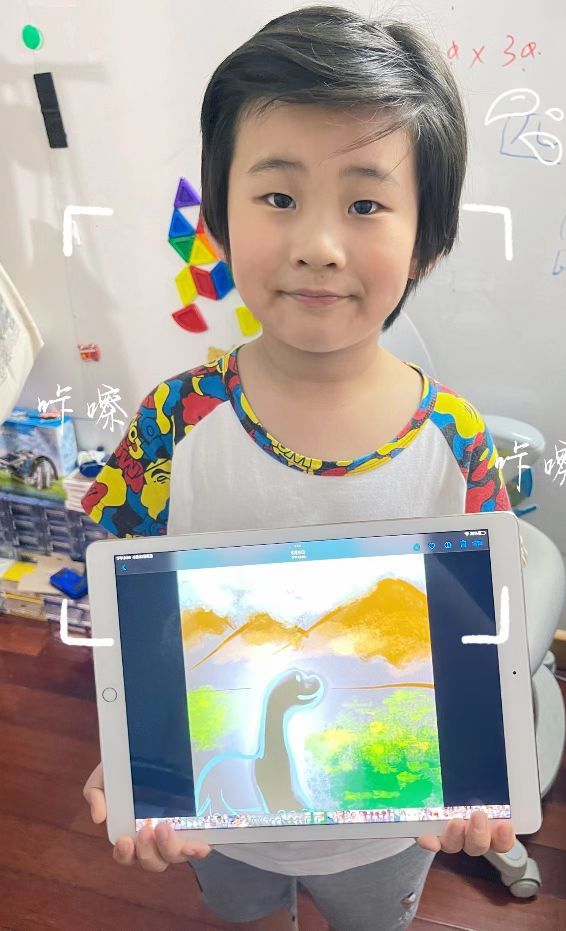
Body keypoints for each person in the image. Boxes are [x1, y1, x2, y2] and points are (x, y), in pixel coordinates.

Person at [81, 5, 519, 929]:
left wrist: (486, 769)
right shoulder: (171, 424)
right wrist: (129, 755)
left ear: (428, 239)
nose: (318, 244)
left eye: (365, 204)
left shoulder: (457, 439)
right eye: (278, 197)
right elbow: (124, 609)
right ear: (218, 217)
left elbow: (477, 636)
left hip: (389, 834)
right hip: (220, 826)